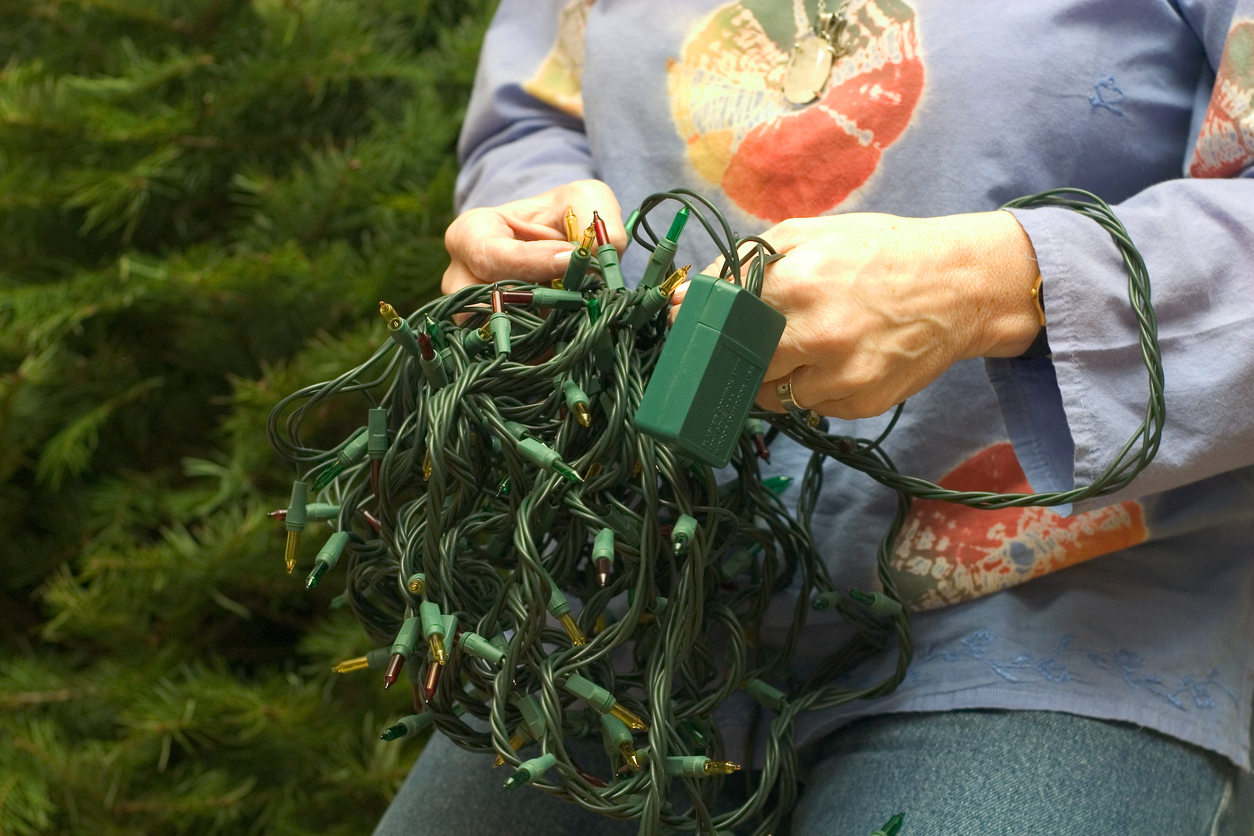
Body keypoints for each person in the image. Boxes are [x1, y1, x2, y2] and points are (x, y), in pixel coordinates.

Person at [376, 1, 1254, 833]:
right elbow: (536, 113)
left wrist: (996, 279)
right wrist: (535, 216)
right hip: (622, 595)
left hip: (1061, 611)